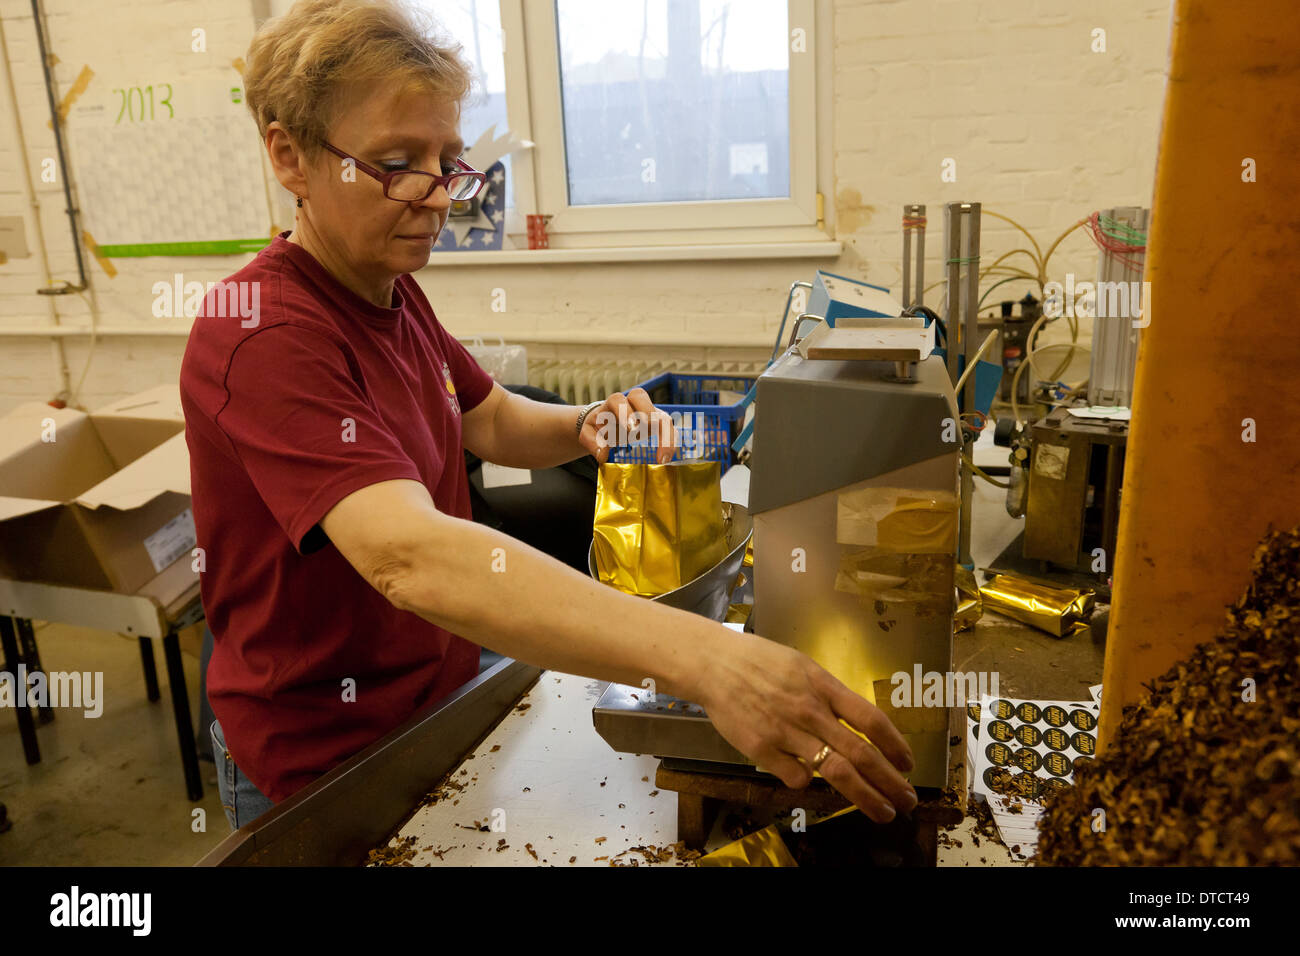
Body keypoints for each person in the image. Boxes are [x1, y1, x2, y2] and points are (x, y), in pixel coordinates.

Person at [180, 0, 917, 832]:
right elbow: (406, 558)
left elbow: (487, 417)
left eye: (447, 160)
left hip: (437, 702)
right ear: (289, 155)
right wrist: (708, 659)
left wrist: (581, 425)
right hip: (323, 756)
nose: (434, 196)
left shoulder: (390, 291)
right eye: (395, 162)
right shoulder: (260, 332)